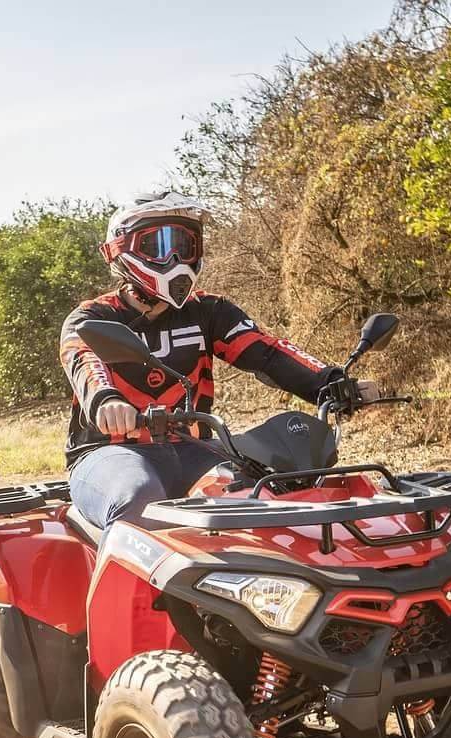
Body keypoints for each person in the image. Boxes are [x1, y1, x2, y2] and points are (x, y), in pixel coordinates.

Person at [60, 191, 375, 528]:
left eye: (187, 245)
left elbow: (267, 352)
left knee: (272, 489)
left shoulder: (209, 311)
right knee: (138, 498)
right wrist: (107, 401)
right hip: (109, 453)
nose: (176, 258)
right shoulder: (91, 318)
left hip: (195, 447)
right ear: (122, 250)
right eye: (160, 245)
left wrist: (332, 383)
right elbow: (85, 363)